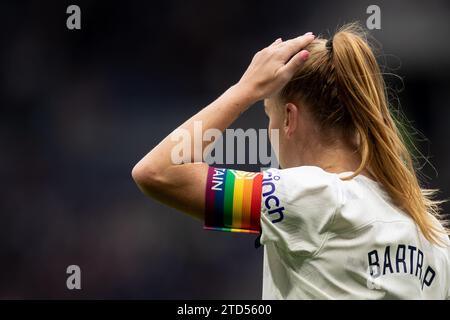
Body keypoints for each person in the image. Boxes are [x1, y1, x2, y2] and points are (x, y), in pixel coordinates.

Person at [132, 23, 450, 299]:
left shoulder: (308, 196)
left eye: (268, 116)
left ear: (288, 118)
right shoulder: (434, 238)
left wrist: (245, 90)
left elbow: (158, 172)